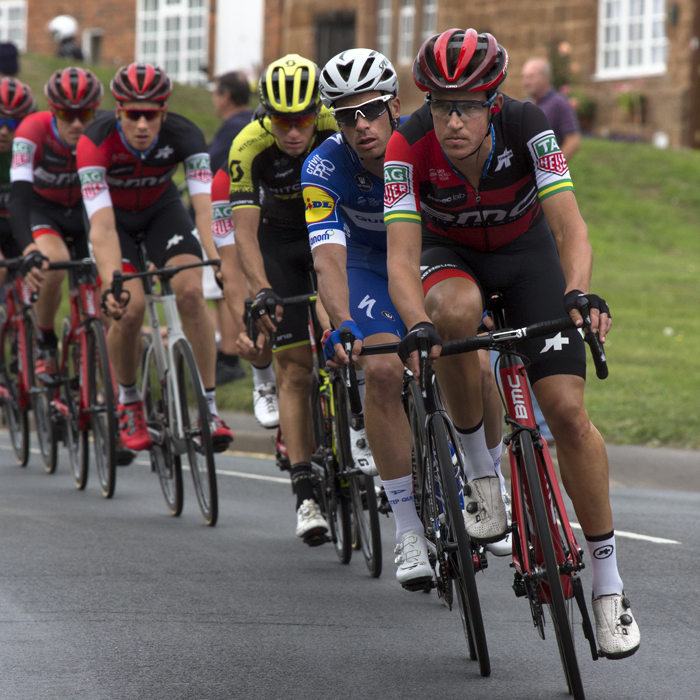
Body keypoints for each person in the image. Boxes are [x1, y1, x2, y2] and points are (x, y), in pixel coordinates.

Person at [383, 28, 640, 659]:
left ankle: (607, 585)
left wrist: (579, 292)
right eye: (441, 105)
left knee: (570, 413)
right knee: (454, 312)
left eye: (467, 105)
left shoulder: (528, 125)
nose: (452, 120)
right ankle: (481, 474)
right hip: (452, 259)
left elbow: (569, 225)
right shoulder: (406, 144)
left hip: (529, 258)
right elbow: (400, 258)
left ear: (492, 103)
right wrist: (416, 323)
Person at [303, 49, 435, 587]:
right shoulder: (322, 167)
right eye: (345, 115)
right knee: (380, 370)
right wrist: (340, 321)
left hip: (428, 257)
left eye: (371, 109)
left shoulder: (426, 146)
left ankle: (475, 474)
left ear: (395, 107)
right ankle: (407, 529)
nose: (361, 125)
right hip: (364, 266)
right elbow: (327, 258)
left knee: (456, 353)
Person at [76, 63, 233, 454]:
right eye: (133, 114)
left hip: (163, 213)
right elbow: (102, 227)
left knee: (193, 292)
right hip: (115, 223)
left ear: (163, 113)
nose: (142, 124)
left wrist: (218, 262)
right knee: (129, 310)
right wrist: (113, 279)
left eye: (151, 114)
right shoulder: (94, 142)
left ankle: (209, 409)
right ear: (119, 113)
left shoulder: (186, 135)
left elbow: (203, 209)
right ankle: (129, 401)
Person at [229, 54, 338, 543]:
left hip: (329, 237)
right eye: (282, 121)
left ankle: (359, 430)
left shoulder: (337, 129)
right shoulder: (247, 147)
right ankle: (305, 492)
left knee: (349, 339)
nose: (294, 132)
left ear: (318, 109)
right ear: (264, 114)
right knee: (294, 368)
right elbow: (245, 236)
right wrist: (262, 290)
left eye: (303, 119)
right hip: (278, 246)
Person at [10, 68, 102, 376]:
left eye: (85, 113)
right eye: (67, 114)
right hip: (43, 209)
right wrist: (28, 249)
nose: (77, 123)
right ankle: (46, 339)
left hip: (85, 211)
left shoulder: (105, 130)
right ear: (52, 110)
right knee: (53, 262)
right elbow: (19, 197)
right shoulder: (30, 131)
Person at [206, 72, 256, 385]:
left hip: (231, 212)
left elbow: (212, 175)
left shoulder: (231, 129)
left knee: (223, 284)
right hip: (252, 211)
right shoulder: (252, 121)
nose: (213, 100)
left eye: (215, 93)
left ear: (225, 96)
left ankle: (229, 355)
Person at [0, 78, 34, 282]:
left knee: (37, 275)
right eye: (0, 122)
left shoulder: (29, 151)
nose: (4, 131)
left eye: (13, 124)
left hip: (16, 226)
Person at [522, 58, 581, 161]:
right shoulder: (525, 104)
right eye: (525, 77)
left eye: (531, 77)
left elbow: (573, 141)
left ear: (546, 78)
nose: (526, 82)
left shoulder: (559, 103)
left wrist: (554, 168)